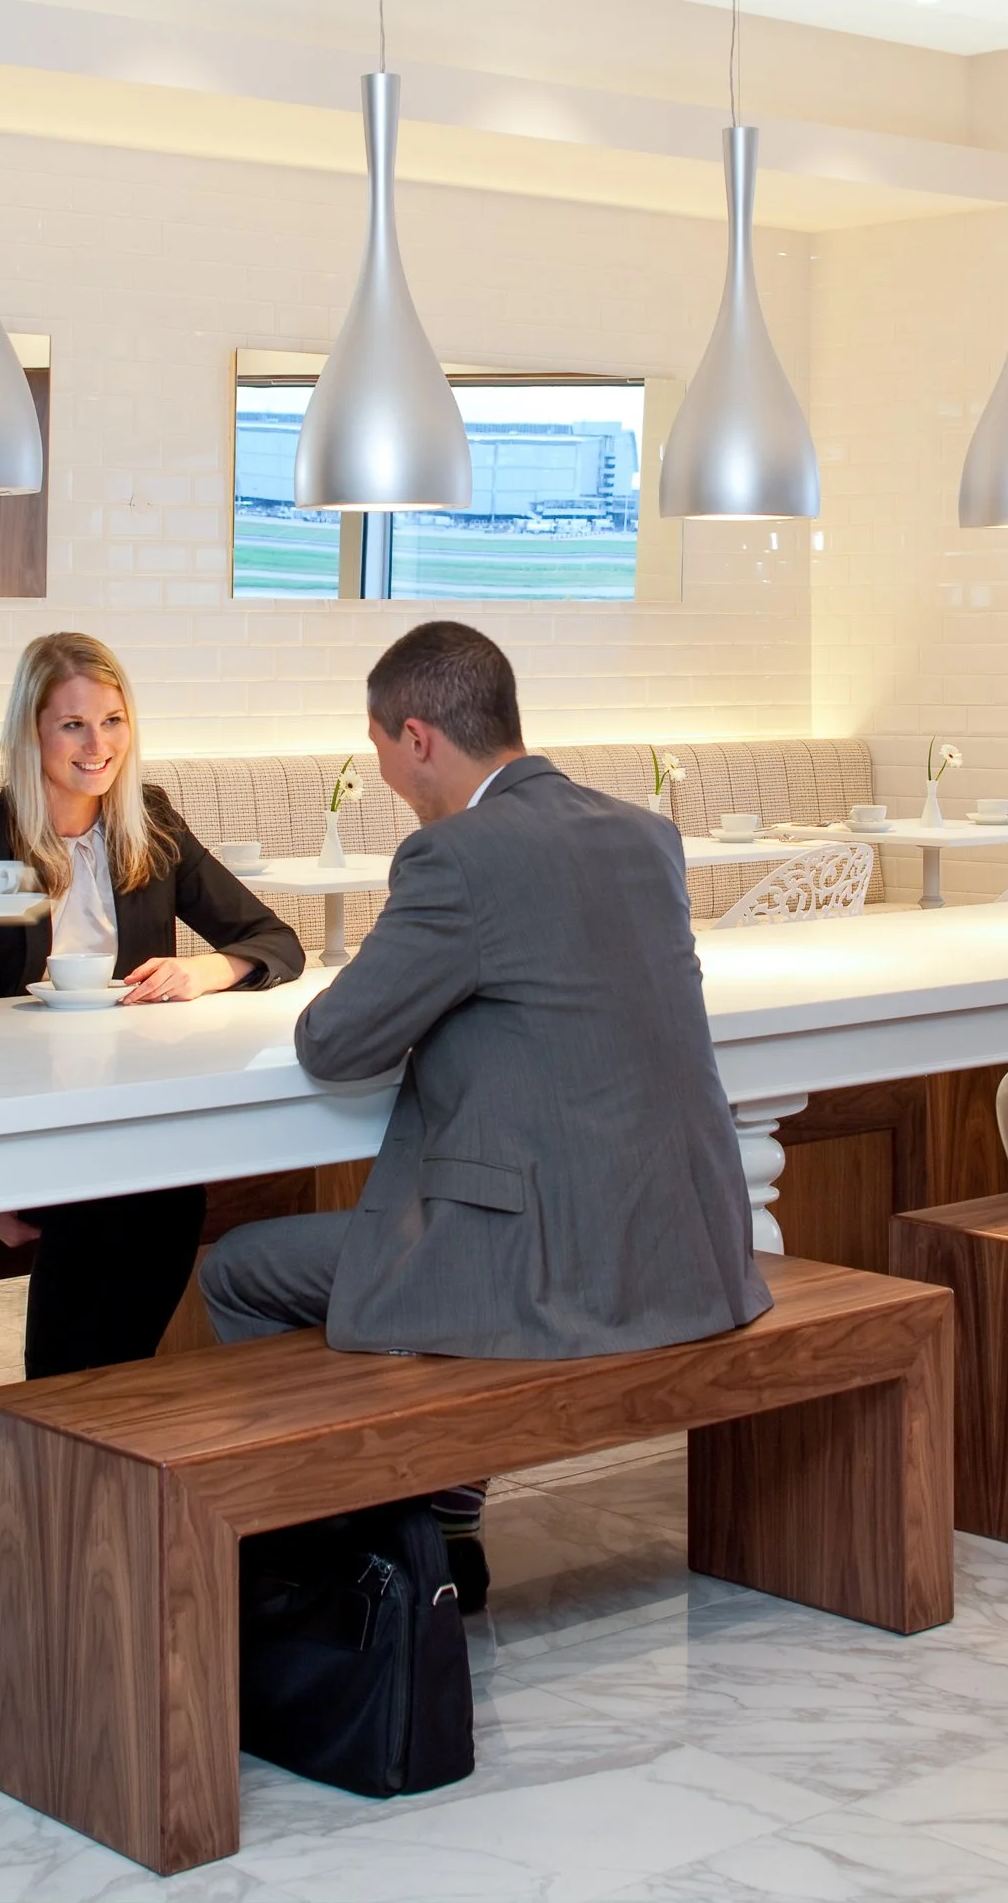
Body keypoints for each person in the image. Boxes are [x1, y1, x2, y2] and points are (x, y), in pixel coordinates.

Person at [200, 619, 767, 1601]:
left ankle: (361, 1542)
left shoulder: (455, 858)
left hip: (551, 1259)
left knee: (240, 1272)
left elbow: (334, 1044)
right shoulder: (645, 834)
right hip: (692, 1241)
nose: (385, 779)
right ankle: (443, 1498)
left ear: (417, 736)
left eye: (379, 751)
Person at [0, 631, 303, 1379]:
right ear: (33, 730)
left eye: (113, 721)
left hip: (124, 1105)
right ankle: (63, 1423)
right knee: (113, 1205)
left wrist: (206, 970)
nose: (97, 744)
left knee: (165, 1190)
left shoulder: (145, 821)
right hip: (21, 1113)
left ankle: (108, 1422)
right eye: (73, 724)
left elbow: (271, 939)